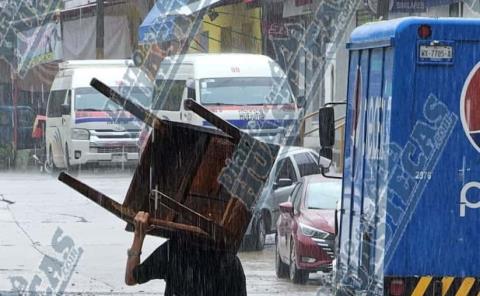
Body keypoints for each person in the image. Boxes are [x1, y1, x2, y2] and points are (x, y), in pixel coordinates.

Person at [125, 211, 247, 296]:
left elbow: (131, 278)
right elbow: (132, 278)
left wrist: (138, 236)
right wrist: (138, 235)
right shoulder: (230, 262)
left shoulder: (174, 250)